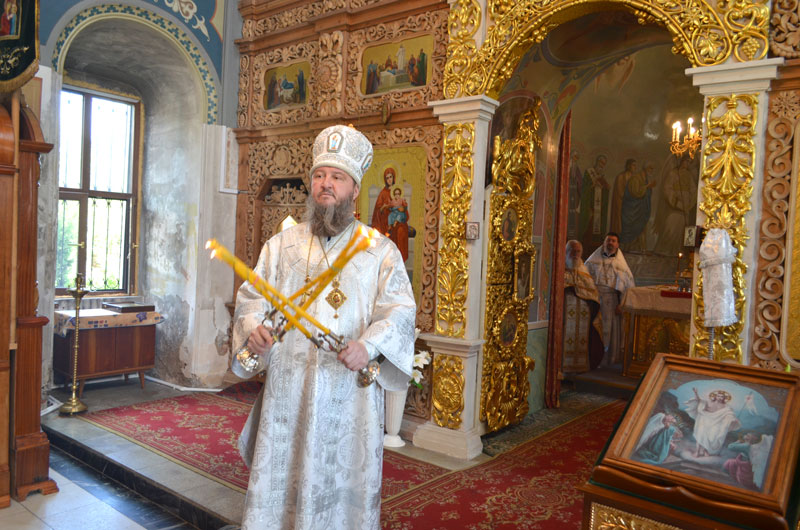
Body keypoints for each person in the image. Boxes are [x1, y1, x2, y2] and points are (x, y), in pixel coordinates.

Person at [231, 124, 417, 529]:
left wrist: (368, 346)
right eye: (319, 175)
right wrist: (254, 329)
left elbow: (400, 310)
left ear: (354, 188)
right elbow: (252, 298)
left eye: (337, 177)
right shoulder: (281, 246)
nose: (326, 184)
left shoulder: (380, 251)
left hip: (349, 397)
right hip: (289, 391)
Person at [585, 232, 634, 368]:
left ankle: (606, 360)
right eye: (608, 240)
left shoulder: (622, 266)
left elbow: (627, 287)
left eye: (613, 241)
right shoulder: (592, 261)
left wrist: (622, 304)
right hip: (594, 300)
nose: (610, 243)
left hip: (611, 302)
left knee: (608, 330)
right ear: (604, 243)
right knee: (594, 329)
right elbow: (584, 280)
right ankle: (593, 358)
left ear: (618, 245)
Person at [562, 240, 603, 372]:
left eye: (578, 251)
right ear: (566, 252)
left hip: (582, 316)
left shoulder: (584, 270)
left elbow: (593, 293)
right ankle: (562, 368)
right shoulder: (560, 268)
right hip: (563, 314)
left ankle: (578, 369)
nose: (575, 254)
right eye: (572, 251)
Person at [684, 388, 741, 458]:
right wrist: (696, 393)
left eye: (722, 397)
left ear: (724, 398)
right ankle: (697, 451)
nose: (720, 398)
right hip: (704, 420)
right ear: (715, 396)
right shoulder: (709, 402)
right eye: (718, 396)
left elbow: (729, 413)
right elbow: (699, 400)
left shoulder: (726, 406)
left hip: (715, 422)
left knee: (711, 437)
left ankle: (705, 450)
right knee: (700, 436)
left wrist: (733, 419)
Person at [370, 167, 395, 236]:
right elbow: (377, 209)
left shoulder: (398, 190)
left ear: (394, 177)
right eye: (387, 178)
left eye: (390, 177)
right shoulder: (383, 193)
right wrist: (383, 207)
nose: (389, 180)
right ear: (385, 180)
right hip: (385, 219)